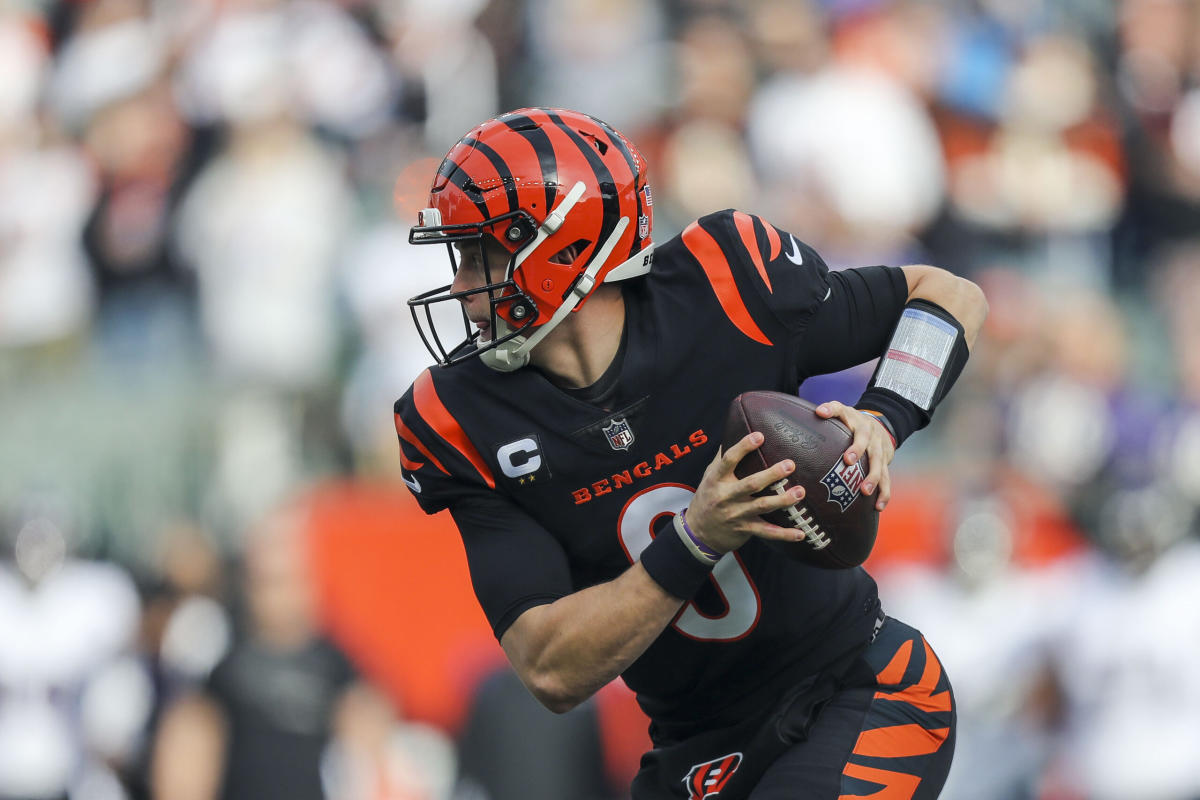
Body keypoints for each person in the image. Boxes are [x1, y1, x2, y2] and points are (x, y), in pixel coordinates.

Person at [394, 108, 987, 799]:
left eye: (481, 254)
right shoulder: (458, 415)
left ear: (562, 248)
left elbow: (948, 295)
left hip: (859, 689)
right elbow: (550, 669)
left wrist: (884, 420)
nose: (464, 286)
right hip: (699, 748)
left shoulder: (724, 280)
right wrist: (697, 537)